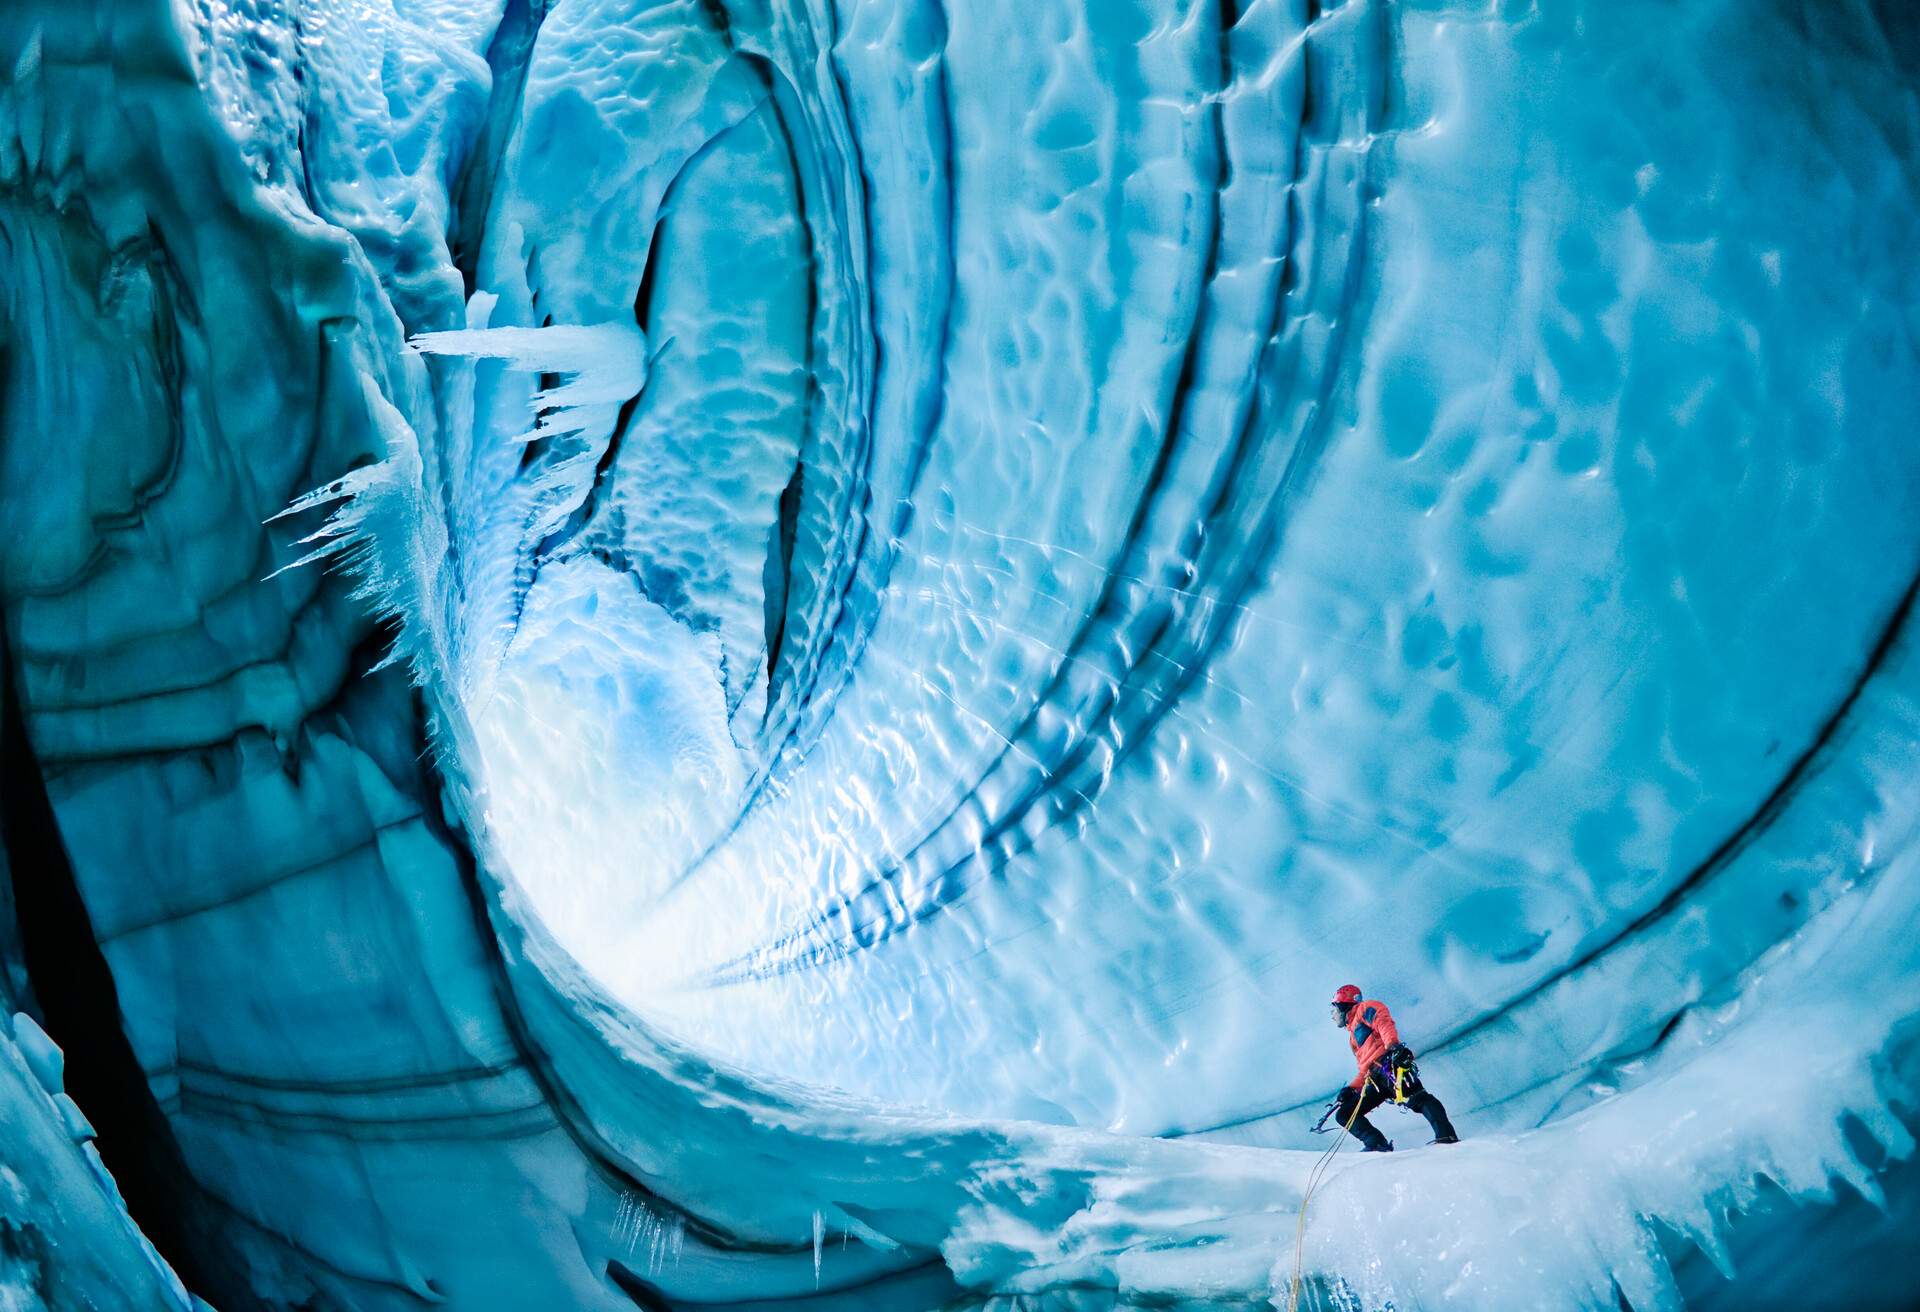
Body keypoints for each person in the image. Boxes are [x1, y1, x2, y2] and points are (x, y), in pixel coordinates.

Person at [1327, 984, 1459, 1151]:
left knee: (1418, 1098)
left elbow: (1383, 1022)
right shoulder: (1353, 1037)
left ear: (1342, 1004)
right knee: (1344, 1114)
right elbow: (1365, 1067)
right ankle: (1376, 1144)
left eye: (1333, 1010)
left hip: (1390, 1065)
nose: (1332, 1016)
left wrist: (1394, 1047)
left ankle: (1446, 1136)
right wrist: (1351, 1088)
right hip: (1375, 1079)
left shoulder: (1365, 1008)